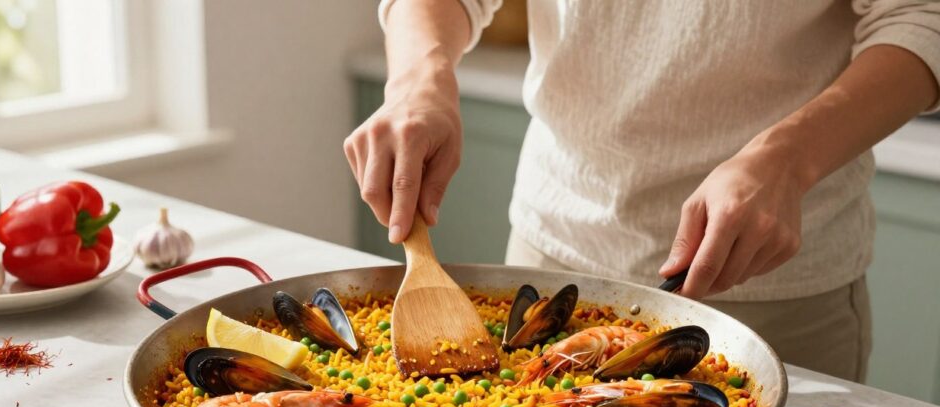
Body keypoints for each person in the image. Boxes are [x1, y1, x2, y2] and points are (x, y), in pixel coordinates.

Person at [343, 0, 940, 382]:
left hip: (773, 280)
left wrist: (788, 159)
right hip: (551, 249)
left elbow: (921, 16)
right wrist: (418, 80)